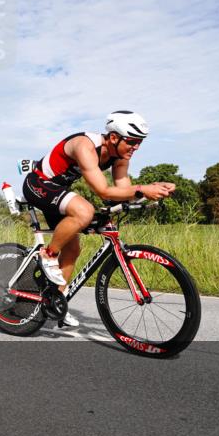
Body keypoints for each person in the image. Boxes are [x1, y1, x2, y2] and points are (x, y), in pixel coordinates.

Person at [21, 111, 176, 327]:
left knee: (73, 249)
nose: (136, 147)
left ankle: (56, 301)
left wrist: (155, 189)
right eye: (132, 141)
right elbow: (104, 190)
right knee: (85, 211)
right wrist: (142, 189)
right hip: (37, 184)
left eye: (140, 143)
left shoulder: (121, 157)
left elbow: (123, 189)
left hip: (58, 191)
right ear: (114, 137)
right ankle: (47, 255)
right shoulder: (85, 145)